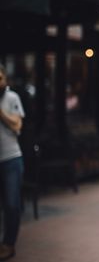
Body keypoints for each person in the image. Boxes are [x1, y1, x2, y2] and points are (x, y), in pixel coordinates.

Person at [0, 64, 25, 261]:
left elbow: (17, 124)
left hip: (11, 159)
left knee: (11, 204)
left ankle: (9, 244)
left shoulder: (12, 98)